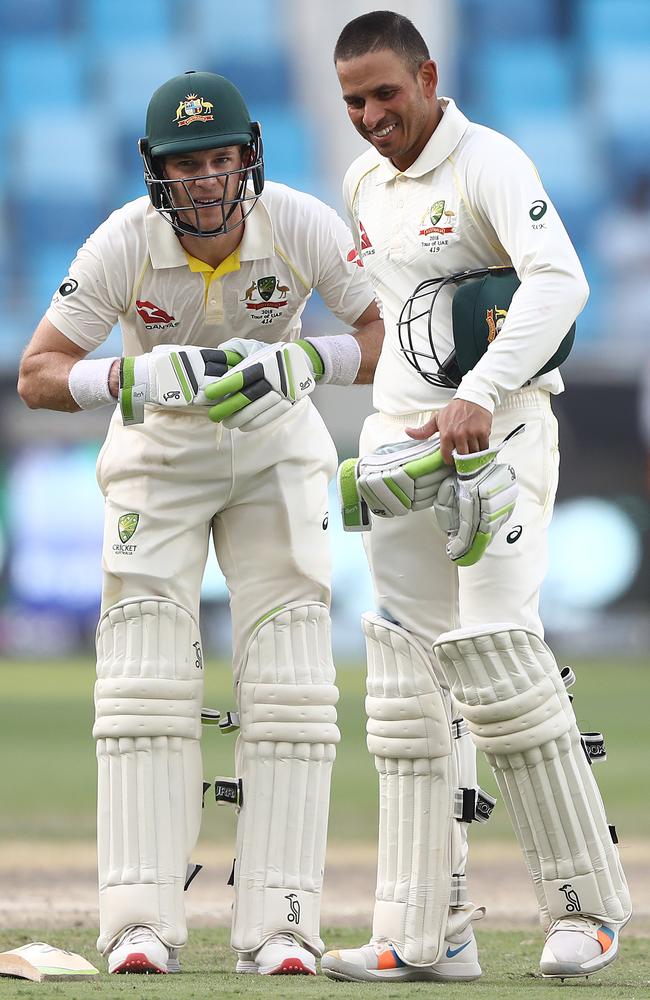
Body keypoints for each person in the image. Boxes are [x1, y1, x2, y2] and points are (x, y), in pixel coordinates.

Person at [17, 70, 383, 977]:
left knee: (294, 683)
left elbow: (386, 334)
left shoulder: (298, 221)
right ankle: (139, 923)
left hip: (275, 452)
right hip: (159, 453)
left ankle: (284, 922)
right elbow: (37, 371)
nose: (209, 182)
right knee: (142, 681)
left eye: (223, 161)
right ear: (155, 172)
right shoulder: (123, 243)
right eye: (189, 167)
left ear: (249, 157)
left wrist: (304, 363)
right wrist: (133, 378)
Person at [319, 11, 631, 984]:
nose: (371, 117)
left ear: (425, 75)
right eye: (353, 102)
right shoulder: (361, 180)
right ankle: (425, 932)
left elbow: (560, 283)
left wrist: (480, 392)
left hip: (496, 440)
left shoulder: (488, 161)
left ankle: (587, 909)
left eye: (384, 94)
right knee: (409, 686)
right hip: (398, 450)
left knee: (496, 659)